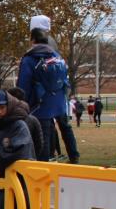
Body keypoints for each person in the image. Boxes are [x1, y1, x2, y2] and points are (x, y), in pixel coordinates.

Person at [15, 15, 79, 163]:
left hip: (41, 102)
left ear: (32, 39)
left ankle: (44, 161)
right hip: (59, 100)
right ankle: (74, 156)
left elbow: (23, 84)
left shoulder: (29, 58)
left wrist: (22, 102)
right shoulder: (56, 55)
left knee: (43, 134)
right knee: (65, 128)